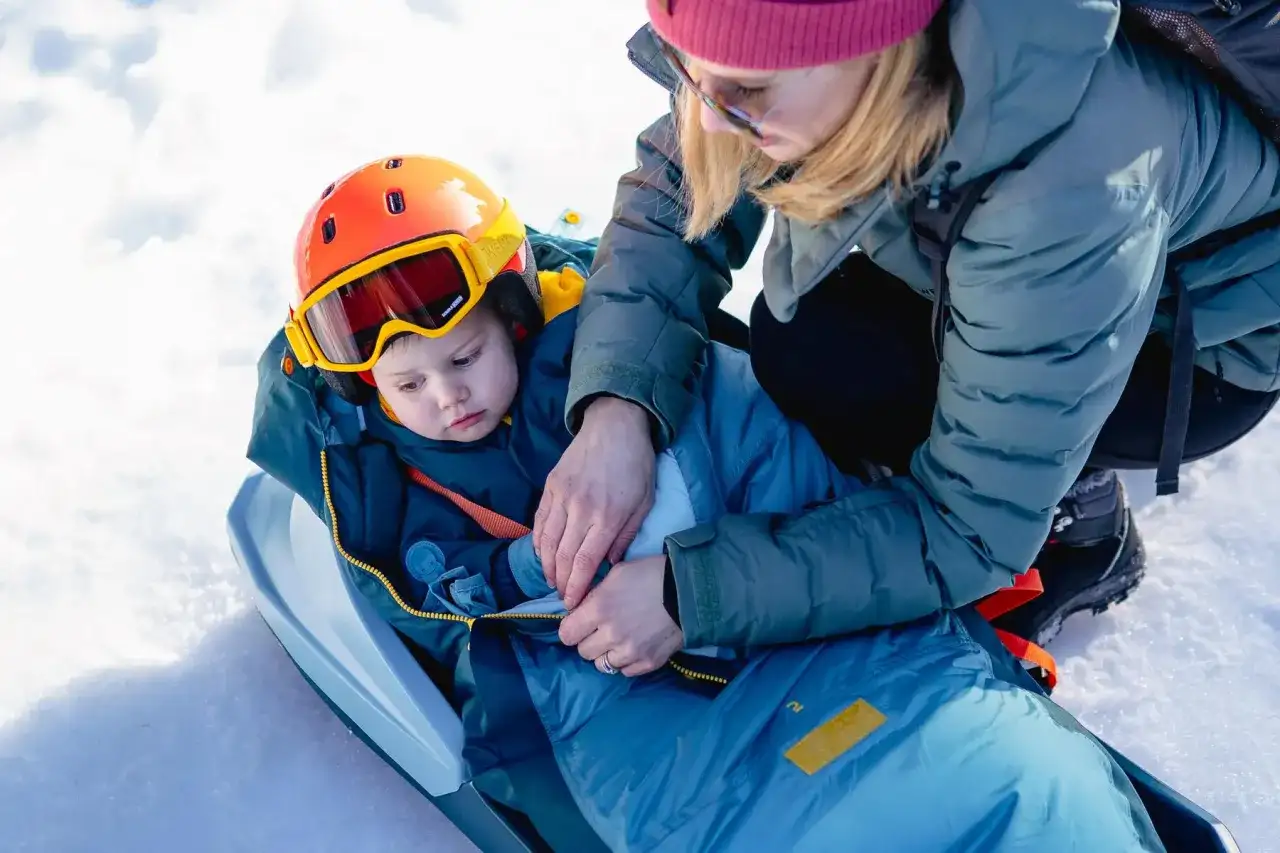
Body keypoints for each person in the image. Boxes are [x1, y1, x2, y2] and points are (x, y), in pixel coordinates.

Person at [247, 154, 1165, 851]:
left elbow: (795, 480)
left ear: (517, 309)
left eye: (463, 357)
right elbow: (453, 627)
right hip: (653, 735)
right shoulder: (380, 497)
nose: (446, 398)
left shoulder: (660, 378)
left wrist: (687, 581)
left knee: (1017, 793)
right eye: (406, 384)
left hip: (818, 644)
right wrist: (529, 576)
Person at [535, 0, 1280, 663]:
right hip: (1029, 265)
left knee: (833, 359)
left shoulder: (1063, 191)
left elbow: (971, 526)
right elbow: (682, 188)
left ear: (874, 55)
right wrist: (618, 404)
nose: (704, 114)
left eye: (748, 91)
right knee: (812, 336)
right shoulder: (787, 54)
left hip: (1193, 346)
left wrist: (693, 592)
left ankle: (1080, 529)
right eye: (688, 71)